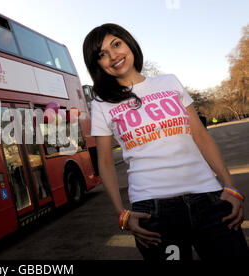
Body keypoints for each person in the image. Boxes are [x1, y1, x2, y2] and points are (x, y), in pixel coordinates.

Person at [83, 23, 248, 260]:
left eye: (116, 44)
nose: (113, 56)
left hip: (209, 199)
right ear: (97, 64)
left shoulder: (169, 82)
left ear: (128, 42)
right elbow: (106, 162)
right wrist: (122, 214)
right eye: (102, 54)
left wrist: (230, 186)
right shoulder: (101, 103)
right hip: (154, 213)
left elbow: (200, 136)